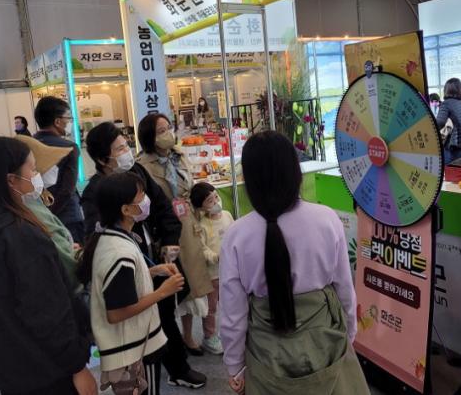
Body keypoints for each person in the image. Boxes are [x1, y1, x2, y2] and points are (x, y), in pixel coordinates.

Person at [219, 131, 369, 395]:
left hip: (265, 354)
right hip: (327, 342)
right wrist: (349, 334)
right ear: (295, 172)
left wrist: (235, 366)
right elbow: (345, 287)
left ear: (249, 180)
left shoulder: (237, 235)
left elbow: (233, 314)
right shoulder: (326, 219)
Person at [0, 137, 96, 395]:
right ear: (11, 180)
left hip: (5, 365)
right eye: (32, 169)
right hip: (47, 369)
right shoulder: (21, 234)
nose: (37, 176)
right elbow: (48, 313)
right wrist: (77, 365)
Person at [81, 121, 207, 389]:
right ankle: (158, 368)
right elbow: (117, 312)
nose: (127, 151)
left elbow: (163, 208)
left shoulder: (136, 172)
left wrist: (169, 243)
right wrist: (158, 289)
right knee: (145, 327)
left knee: (163, 319)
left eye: (126, 145)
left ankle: (175, 368)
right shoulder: (99, 203)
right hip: (130, 283)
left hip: (151, 261)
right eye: (119, 149)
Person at [78, 172, 186, 395]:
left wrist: (152, 271)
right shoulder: (119, 252)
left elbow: (122, 285)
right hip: (135, 350)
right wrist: (162, 292)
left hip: (132, 346)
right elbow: (117, 312)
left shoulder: (111, 236)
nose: (146, 200)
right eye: (141, 196)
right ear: (126, 209)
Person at [136, 113, 213, 355]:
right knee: (173, 284)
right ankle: (172, 338)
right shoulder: (142, 165)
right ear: (149, 137)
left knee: (194, 286)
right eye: (160, 131)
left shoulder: (179, 156)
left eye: (168, 127)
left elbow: (190, 186)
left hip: (189, 224)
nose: (167, 133)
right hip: (165, 230)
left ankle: (190, 335)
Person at [14, 134, 79, 286]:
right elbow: (65, 263)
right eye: (34, 169)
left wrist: (67, 248)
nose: (40, 174)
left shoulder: (33, 201)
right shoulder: (29, 210)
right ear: (12, 179)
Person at [34, 96, 85, 244]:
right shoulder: (68, 147)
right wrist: (51, 215)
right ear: (57, 122)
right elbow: (67, 190)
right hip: (67, 217)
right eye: (68, 118)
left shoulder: (27, 145)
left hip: (36, 215)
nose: (70, 122)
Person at [190, 182, 234, 355]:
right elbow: (202, 249)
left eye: (216, 196)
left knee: (231, 303)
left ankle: (231, 332)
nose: (216, 202)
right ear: (201, 207)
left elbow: (235, 234)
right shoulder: (201, 224)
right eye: (210, 201)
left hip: (230, 270)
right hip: (213, 274)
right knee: (211, 308)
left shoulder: (227, 215)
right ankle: (209, 337)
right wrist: (215, 257)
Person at [436, 78, 461, 163]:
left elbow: (440, 122)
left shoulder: (446, 103)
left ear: (446, 90)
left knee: (447, 169)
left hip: (455, 146)